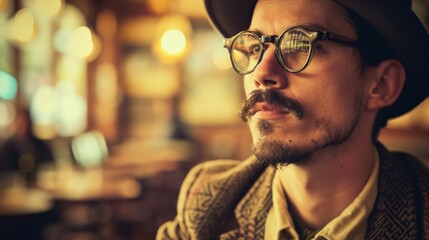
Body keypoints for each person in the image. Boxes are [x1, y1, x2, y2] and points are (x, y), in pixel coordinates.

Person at [157, 0, 429, 239]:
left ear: (381, 85)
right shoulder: (208, 208)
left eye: (300, 43)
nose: (261, 73)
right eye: (254, 47)